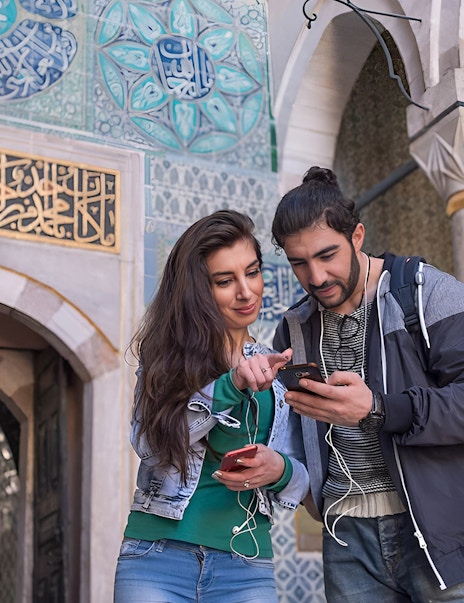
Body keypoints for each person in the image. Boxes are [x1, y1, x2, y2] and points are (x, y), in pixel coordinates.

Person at [271, 166, 464, 602]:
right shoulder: (294, 330)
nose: (316, 277)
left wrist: (378, 408)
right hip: (345, 538)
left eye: (326, 255)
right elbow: (293, 434)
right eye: (298, 262)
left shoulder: (424, 292)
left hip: (441, 534)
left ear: (357, 236)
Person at [114, 210, 309, 603]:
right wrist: (231, 384)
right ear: (199, 290)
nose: (246, 291)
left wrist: (280, 468)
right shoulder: (166, 359)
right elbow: (151, 445)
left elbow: (305, 481)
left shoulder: (277, 366)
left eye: (252, 272)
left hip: (246, 568)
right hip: (156, 559)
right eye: (225, 281)